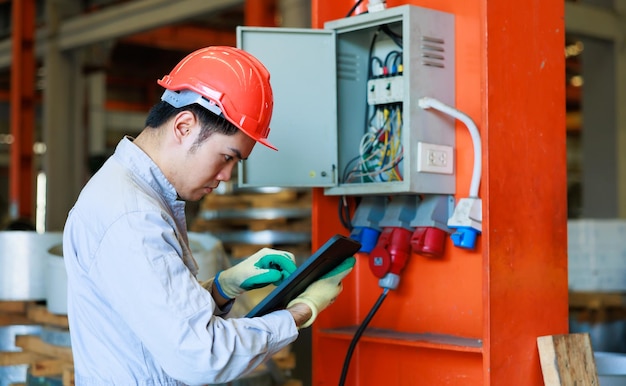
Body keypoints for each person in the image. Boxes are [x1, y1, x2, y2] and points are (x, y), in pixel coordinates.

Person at [62, 46, 356, 385]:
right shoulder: (133, 217)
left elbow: (158, 317)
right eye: (226, 157)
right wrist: (298, 313)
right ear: (184, 127)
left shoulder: (134, 195)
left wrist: (220, 289)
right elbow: (200, 356)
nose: (227, 176)